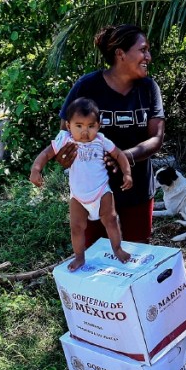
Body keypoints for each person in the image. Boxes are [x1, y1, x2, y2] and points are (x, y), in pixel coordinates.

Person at [57, 24, 165, 246]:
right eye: (143, 50)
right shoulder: (87, 87)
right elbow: (65, 134)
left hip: (137, 189)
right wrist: (63, 156)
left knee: (138, 254)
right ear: (120, 54)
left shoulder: (148, 88)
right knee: (96, 256)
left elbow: (156, 138)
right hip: (92, 193)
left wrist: (125, 156)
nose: (149, 57)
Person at [30, 98, 133, 270]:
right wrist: (36, 170)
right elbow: (46, 154)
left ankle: (117, 248)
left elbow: (120, 155)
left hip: (102, 191)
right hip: (78, 195)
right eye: (79, 126)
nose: (85, 131)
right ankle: (79, 257)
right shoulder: (65, 140)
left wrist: (127, 173)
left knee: (111, 220)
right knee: (76, 227)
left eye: (90, 126)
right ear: (69, 126)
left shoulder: (101, 140)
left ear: (98, 126)